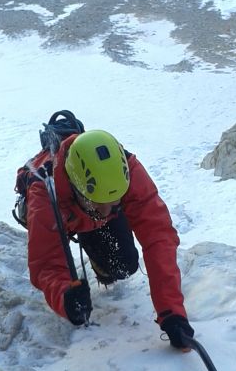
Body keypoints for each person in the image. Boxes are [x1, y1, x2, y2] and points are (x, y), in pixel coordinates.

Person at [23, 120, 194, 350]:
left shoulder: (128, 170)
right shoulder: (44, 192)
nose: (106, 211)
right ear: (76, 187)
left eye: (115, 203)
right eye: (98, 205)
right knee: (80, 268)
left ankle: (93, 238)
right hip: (61, 213)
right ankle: (86, 229)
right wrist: (65, 298)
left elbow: (158, 236)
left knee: (124, 266)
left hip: (80, 210)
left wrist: (172, 314)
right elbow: (45, 263)